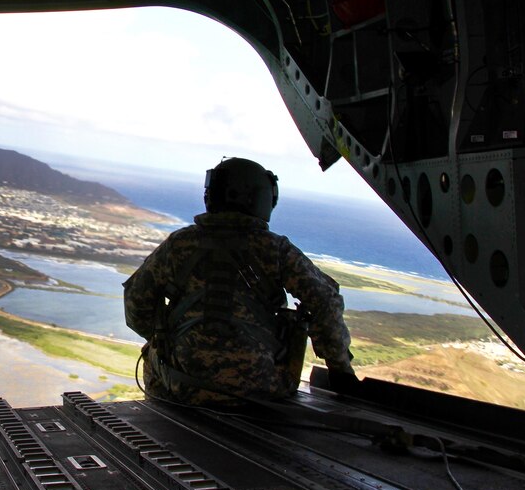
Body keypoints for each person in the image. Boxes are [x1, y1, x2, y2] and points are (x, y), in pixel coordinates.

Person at [124, 157, 354, 406]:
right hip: (261, 388)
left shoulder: (179, 244)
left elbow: (136, 304)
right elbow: (325, 302)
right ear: (260, 198)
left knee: (154, 348)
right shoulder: (276, 250)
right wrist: (340, 369)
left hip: (180, 385)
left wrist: (169, 337)